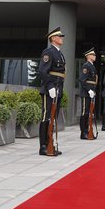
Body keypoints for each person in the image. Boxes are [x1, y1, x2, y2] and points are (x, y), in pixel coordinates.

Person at [38, 26, 66, 156]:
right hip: (50, 89)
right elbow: (43, 71)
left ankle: (50, 143)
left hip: (58, 88)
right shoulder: (48, 52)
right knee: (46, 116)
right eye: (60, 36)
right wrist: (50, 87)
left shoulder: (60, 53)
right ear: (53, 38)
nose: (61, 38)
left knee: (53, 117)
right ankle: (43, 146)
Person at [79, 47, 98, 140]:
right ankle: (83, 132)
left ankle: (87, 130)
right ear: (88, 56)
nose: (95, 56)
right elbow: (82, 80)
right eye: (93, 54)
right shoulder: (86, 66)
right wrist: (88, 90)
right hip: (86, 92)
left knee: (89, 113)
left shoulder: (92, 66)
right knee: (85, 112)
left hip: (91, 92)